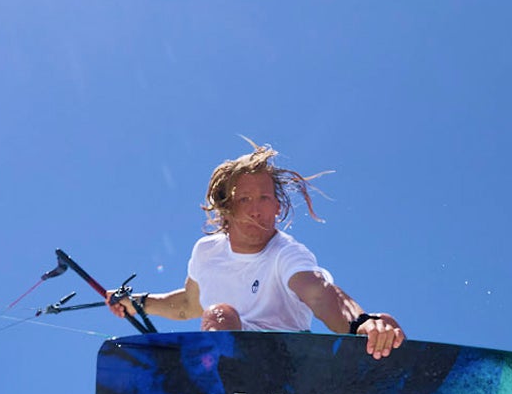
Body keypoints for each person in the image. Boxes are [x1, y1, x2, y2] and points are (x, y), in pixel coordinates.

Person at [108, 142, 405, 359]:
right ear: (226, 208)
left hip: (290, 367)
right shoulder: (206, 252)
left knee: (385, 325)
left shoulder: (286, 254)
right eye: (244, 199)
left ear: (277, 207)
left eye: (264, 198)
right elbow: (188, 303)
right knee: (220, 315)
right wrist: (139, 303)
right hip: (229, 371)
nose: (255, 210)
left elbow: (319, 293)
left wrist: (362, 323)